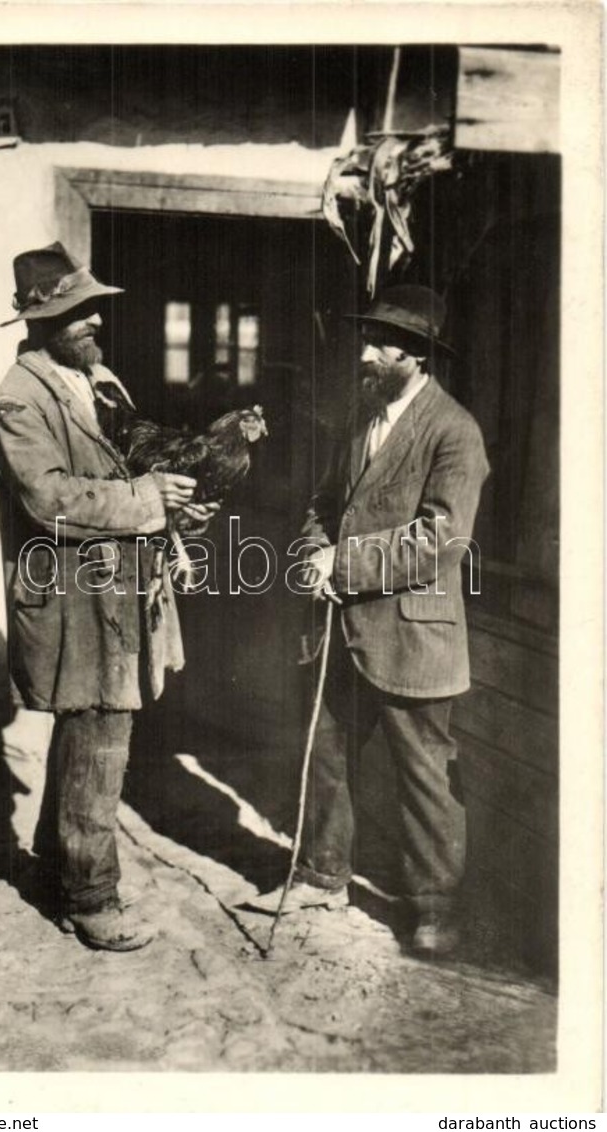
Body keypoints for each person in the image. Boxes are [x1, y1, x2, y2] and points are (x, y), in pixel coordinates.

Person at [0, 241, 217, 952]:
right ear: (40, 321)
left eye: (93, 310)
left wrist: (169, 505)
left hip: (112, 588)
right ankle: (93, 899)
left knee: (90, 729)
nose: (93, 322)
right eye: (76, 312)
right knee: (101, 736)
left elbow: (127, 478)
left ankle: (60, 868)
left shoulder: (95, 383)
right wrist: (145, 500)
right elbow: (46, 497)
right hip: (71, 598)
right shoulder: (21, 397)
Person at [252, 285, 489, 958]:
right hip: (340, 629)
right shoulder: (363, 419)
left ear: (414, 355)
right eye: (368, 340)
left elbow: (441, 541)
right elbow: (324, 505)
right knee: (324, 754)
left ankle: (435, 907)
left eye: (380, 344)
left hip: (416, 634)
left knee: (425, 779)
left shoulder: (455, 431)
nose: (365, 353)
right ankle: (321, 876)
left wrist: (342, 566)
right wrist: (307, 556)